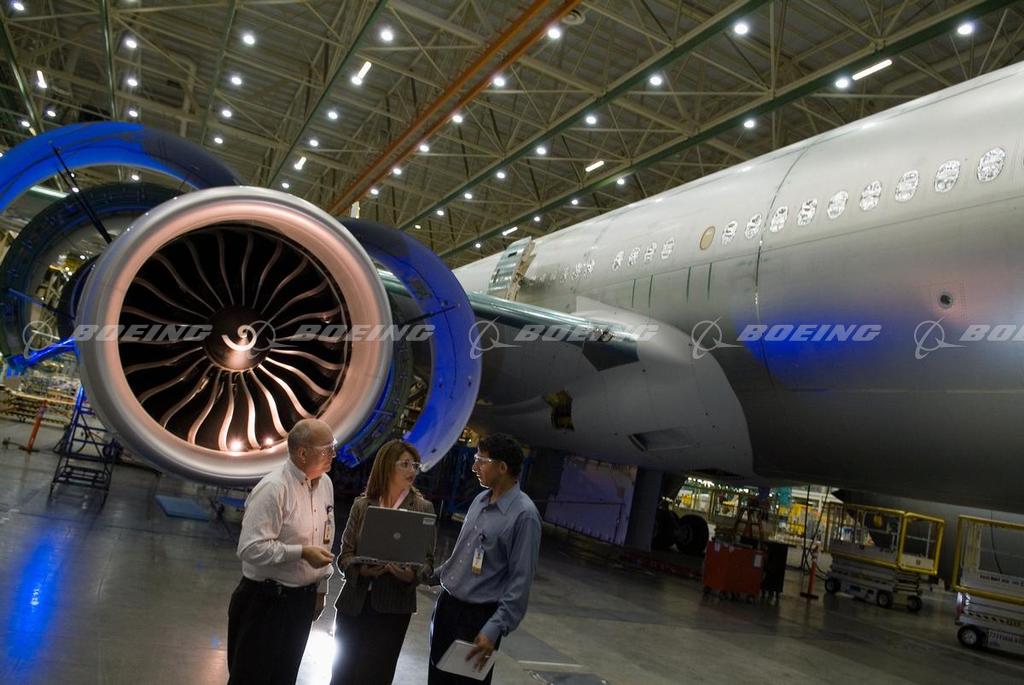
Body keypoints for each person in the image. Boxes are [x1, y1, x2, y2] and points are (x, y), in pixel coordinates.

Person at [227, 419, 337, 685]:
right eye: (327, 449)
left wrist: (320, 590)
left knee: (284, 678)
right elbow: (250, 547)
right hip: (266, 601)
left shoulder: (325, 484)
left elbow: (324, 540)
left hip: (301, 602)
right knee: (251, 678)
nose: (333, 454)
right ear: (303, 453)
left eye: (333, 447)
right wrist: (300, 552)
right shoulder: (274, 488)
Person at [427, 433, 542, 685]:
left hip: (477, 620)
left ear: (502, 467)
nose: (474, 467)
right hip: (448, 608)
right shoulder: (480, 500)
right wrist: (429, 576)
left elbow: (520, 583)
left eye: (481, 461)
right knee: (437, 679)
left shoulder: (524, 516)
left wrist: (493, 629)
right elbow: (462, 557)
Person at [332, 439, 436, 685]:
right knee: (342, 675)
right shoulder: (362, 505)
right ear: (387, 466)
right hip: (355, 604)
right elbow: (344, 556)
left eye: (415, 465)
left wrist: (411, 575)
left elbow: (428, 563)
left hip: (393, 608)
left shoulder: (423, 508)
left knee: (376, 675)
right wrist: (361, 568)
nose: (412, 470)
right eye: (405, 464)